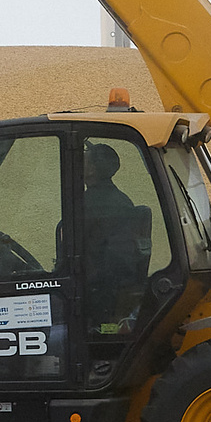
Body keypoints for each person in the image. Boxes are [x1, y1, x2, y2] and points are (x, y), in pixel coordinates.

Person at [77, 139, 150, 335]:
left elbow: (80, 254)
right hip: (111, 286)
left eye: (82, 158)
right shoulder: (120, 199)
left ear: (91, 170)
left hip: (98, 292)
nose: (77, 161)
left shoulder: (87, 204)